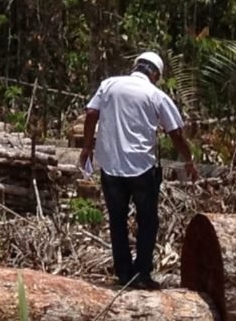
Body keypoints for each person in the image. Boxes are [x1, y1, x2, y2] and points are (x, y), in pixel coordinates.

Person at [79, 51, 200, 290]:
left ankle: (123, 273)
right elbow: (175, 133)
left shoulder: (109, 84)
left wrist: (86, 148)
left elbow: (92, 113)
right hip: (142, 168)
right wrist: (189, 160)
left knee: (117, 219)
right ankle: (142, 273)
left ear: (136, 66)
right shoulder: (156, 95)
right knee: (147, 221)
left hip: (111, 166)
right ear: (154, 74)